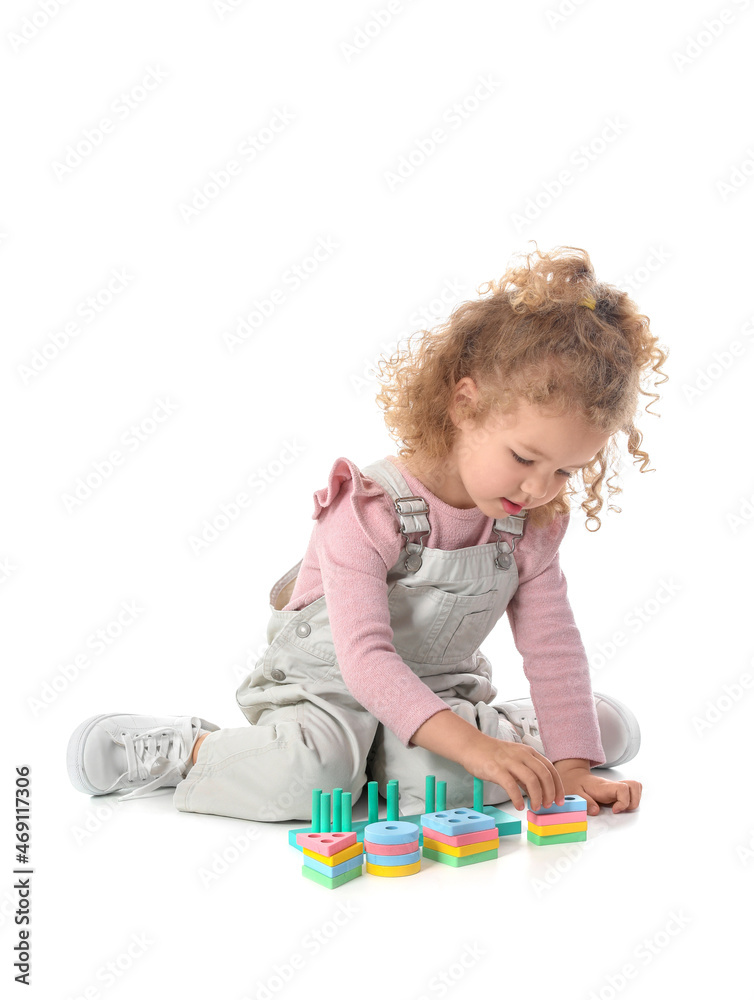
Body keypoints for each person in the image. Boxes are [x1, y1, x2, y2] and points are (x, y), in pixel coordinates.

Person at [66, 244, 668, 823]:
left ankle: (537, 732)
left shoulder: (530, 524)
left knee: (440, 787)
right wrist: (477, 747)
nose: (540, 488)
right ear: (465, 405)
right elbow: (365, 660)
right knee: (311, 776)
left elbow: (552, 643)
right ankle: (189, 751)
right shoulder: (368, 509)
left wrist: (569, 765)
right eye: (524, 456)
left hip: (435, 693)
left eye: (565, 471)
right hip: (328, 690)